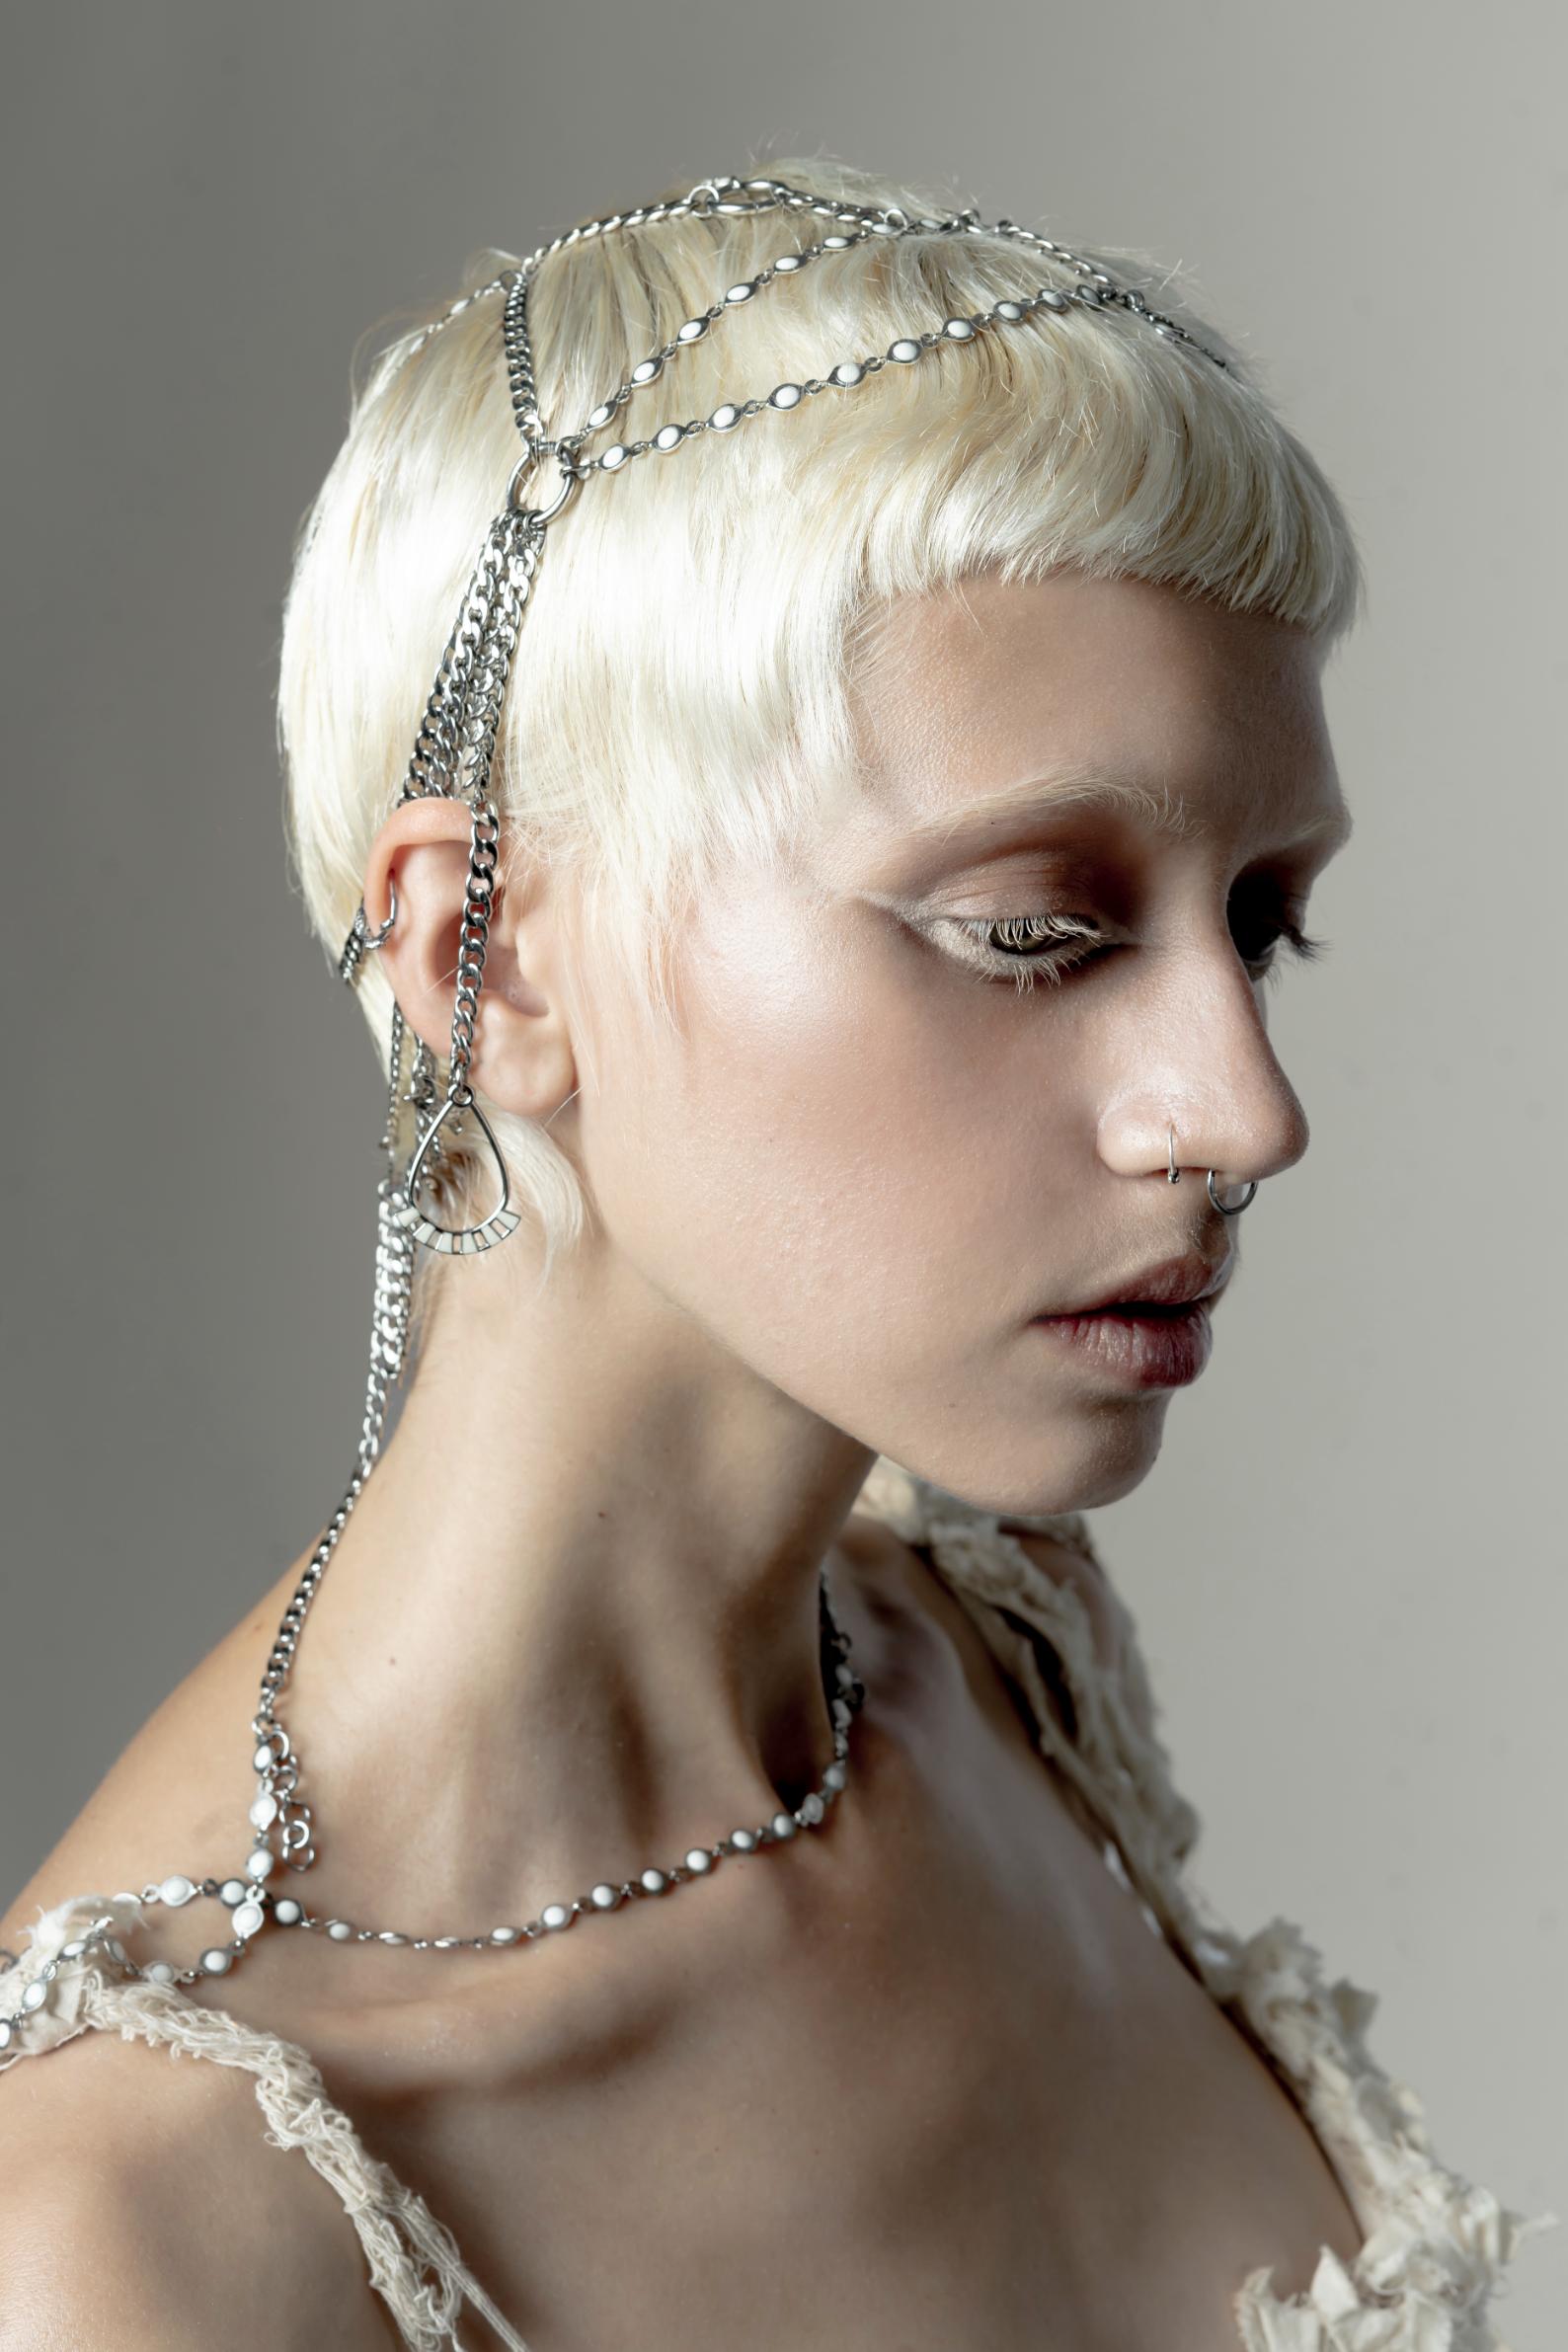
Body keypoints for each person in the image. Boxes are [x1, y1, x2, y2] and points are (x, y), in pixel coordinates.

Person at [0, 156, 1554, 2352]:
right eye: (1037, 930)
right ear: (485, 960)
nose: (1240, 1112)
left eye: (1260, 925)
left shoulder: (1001, 1665)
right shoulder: (141, 2235)